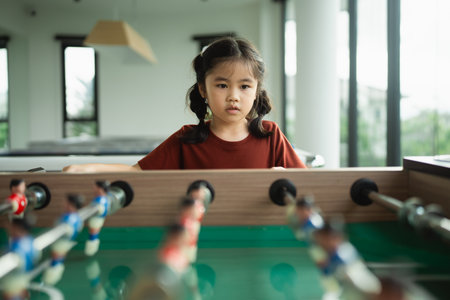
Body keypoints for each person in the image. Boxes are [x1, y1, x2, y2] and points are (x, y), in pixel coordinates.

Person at [63, 37, 306, 172]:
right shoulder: (186, 139)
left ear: (256, 92)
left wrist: (282, 178)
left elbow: (307, 183)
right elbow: (135, 173)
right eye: (222, 85)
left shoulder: (270, 136)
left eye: (244, 86)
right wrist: (87, 169)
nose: (234, 96)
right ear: (203, 89)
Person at [43, 194, 84, 284]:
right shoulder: (74, 217)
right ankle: (53, 274)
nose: (63, 204)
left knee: (57, 257)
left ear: (71, 204)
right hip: (65, 241)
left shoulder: (70, 218)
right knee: (59, 257)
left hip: (62, 241)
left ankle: (51, 277)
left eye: (66, 202)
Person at [85, 181, 111, 256]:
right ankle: (91, 249)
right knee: (93, 234)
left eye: (96, 187)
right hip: (97, 219)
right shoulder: (104, 197)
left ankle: (91, 250)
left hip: (97, 219)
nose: (94, 189)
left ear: (100, 188)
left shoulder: (101, 200)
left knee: (93, 234)